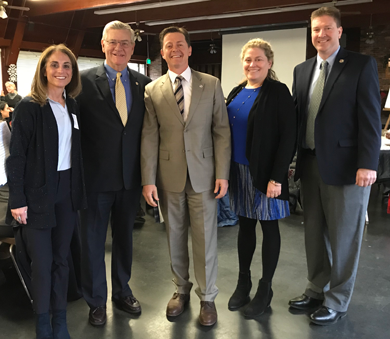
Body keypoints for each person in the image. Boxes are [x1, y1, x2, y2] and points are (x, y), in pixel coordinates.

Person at [289, 6, 381, 325]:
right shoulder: (302, 71)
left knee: (344, 236)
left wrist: (367, 163)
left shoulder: (360, 65)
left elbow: (370, 118)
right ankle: (316, 288)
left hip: (347, 168)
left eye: (327, 28)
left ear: (339, 31)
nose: (321, 34)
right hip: (310, 164)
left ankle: (338, 299)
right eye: (316, 29)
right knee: (314, 233)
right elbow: (298, 121)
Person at [141, 26, 231, 326]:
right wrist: (148, 179)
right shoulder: (153, 90)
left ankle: (207, 297)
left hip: (205, 175)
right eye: (169, 46)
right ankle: (181, 290)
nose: (175, 49)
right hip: (169, 176)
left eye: (180, 44)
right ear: (163, 52)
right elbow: (150, 136)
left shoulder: (211, 83)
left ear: (189, 49)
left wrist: (223, 173)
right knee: (174, 235)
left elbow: (221, 131)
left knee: (205, 238)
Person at [6, 44, 86, 339]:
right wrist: (18, 199)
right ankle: (42, 324)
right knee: (42, 264)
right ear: (43, 69)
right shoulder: (30, 106)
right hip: (37, 194)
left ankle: (60, 319)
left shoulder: (72, 106)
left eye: (67, 66)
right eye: (54, 65)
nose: (61, 71)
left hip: (67, 192)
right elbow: (17, 157)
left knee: (62, 259)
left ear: (72, 72)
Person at [76, 20, 151, 326]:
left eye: (126, 43)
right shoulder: (80, 82)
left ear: (132, 48)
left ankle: (122, 291)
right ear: (103, 45)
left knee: (125, 240)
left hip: (129, 180)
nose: (119, 48)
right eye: (114, 42)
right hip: (94, 181)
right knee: (92, 243)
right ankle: (96, 300)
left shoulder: (143, 84)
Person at [226, 39, 296, 318]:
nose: (252, 64)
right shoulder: (236, 91)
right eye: (247, 60)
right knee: (245, 227)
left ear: (269, 62)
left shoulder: (278, 92)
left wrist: (277, 177)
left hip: (266, 175)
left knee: (268, 229)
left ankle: (265, 290)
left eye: (258, 59)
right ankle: (244, 282)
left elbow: (287, 137)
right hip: (238, 171)